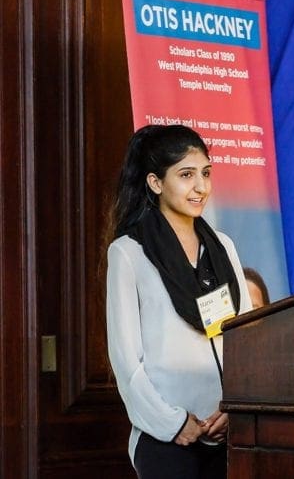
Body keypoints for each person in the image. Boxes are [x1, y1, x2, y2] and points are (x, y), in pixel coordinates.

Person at [105, 124, 252, 479]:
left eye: (206, 173)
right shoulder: (129, 253)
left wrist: (237, 409)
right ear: (156, 183)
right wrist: (172, 423)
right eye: (186, 175)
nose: (201, 187)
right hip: (165, 436)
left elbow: (248, 338)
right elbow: (126, 363)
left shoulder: (223, 247)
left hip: (226, 430)